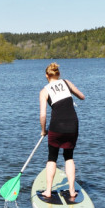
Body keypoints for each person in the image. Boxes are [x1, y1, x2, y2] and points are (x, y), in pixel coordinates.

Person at [39, 62, 85, 198]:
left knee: (52, 158)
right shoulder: (66, 83)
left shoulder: (44, 91)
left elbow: (43, 115)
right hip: (73, 125)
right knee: (69, 157)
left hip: (56, 126)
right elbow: (82, 96)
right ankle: (72, 190)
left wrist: (43, 131)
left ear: (46, 75)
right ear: (58, 74)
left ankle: (48, 191)